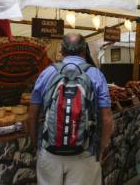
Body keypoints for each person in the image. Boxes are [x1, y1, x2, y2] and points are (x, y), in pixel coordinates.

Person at [28, 34, 114, 185]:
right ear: (84, 50)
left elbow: (32, 115)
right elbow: (107, 118)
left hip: (50, 152)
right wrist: (100, 148)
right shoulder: (95, 75)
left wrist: (37, 144)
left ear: (61, 50)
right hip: (85, 153)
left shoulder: (47, 73)